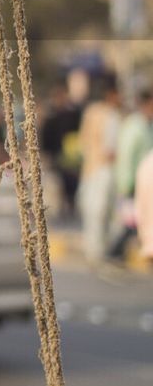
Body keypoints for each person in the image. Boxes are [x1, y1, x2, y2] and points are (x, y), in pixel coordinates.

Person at [77, 75, 121, 266]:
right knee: (97, 209)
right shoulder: (101, 113)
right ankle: (95, 250)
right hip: (99, 168)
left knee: (103, 211)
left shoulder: (110, 114)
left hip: (102, 169)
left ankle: (100, 249)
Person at [107, 88, 153, 262]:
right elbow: (126, 156)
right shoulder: (135, 126)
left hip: (146, 183)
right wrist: (126, 184)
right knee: (130, 220)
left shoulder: (148, 125)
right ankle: (113, 253)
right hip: (133, 182)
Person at [40, 82, 83, 218]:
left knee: (71, 182)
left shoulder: (73, 114)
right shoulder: (51, 117)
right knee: (61, 183)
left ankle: (71, 205)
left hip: (71, 155)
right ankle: (65, 206)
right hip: (57, 155)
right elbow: (46, 137)